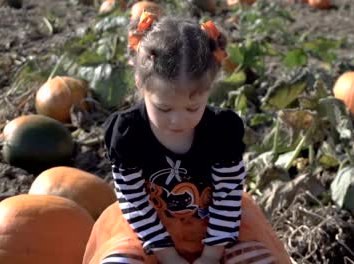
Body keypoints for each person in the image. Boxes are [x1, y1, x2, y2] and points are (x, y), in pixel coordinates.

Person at [94, 10, 290, 264]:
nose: (178, 120)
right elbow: (135, 203)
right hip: (148, 229)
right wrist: (169, 257)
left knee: (259, 259)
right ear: (141, 85)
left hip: (217, 227)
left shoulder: (221, 132)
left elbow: (227, 198)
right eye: (164, 108)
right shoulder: (128, 134)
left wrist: (211, 255)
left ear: (208, 91)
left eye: (192, 108)